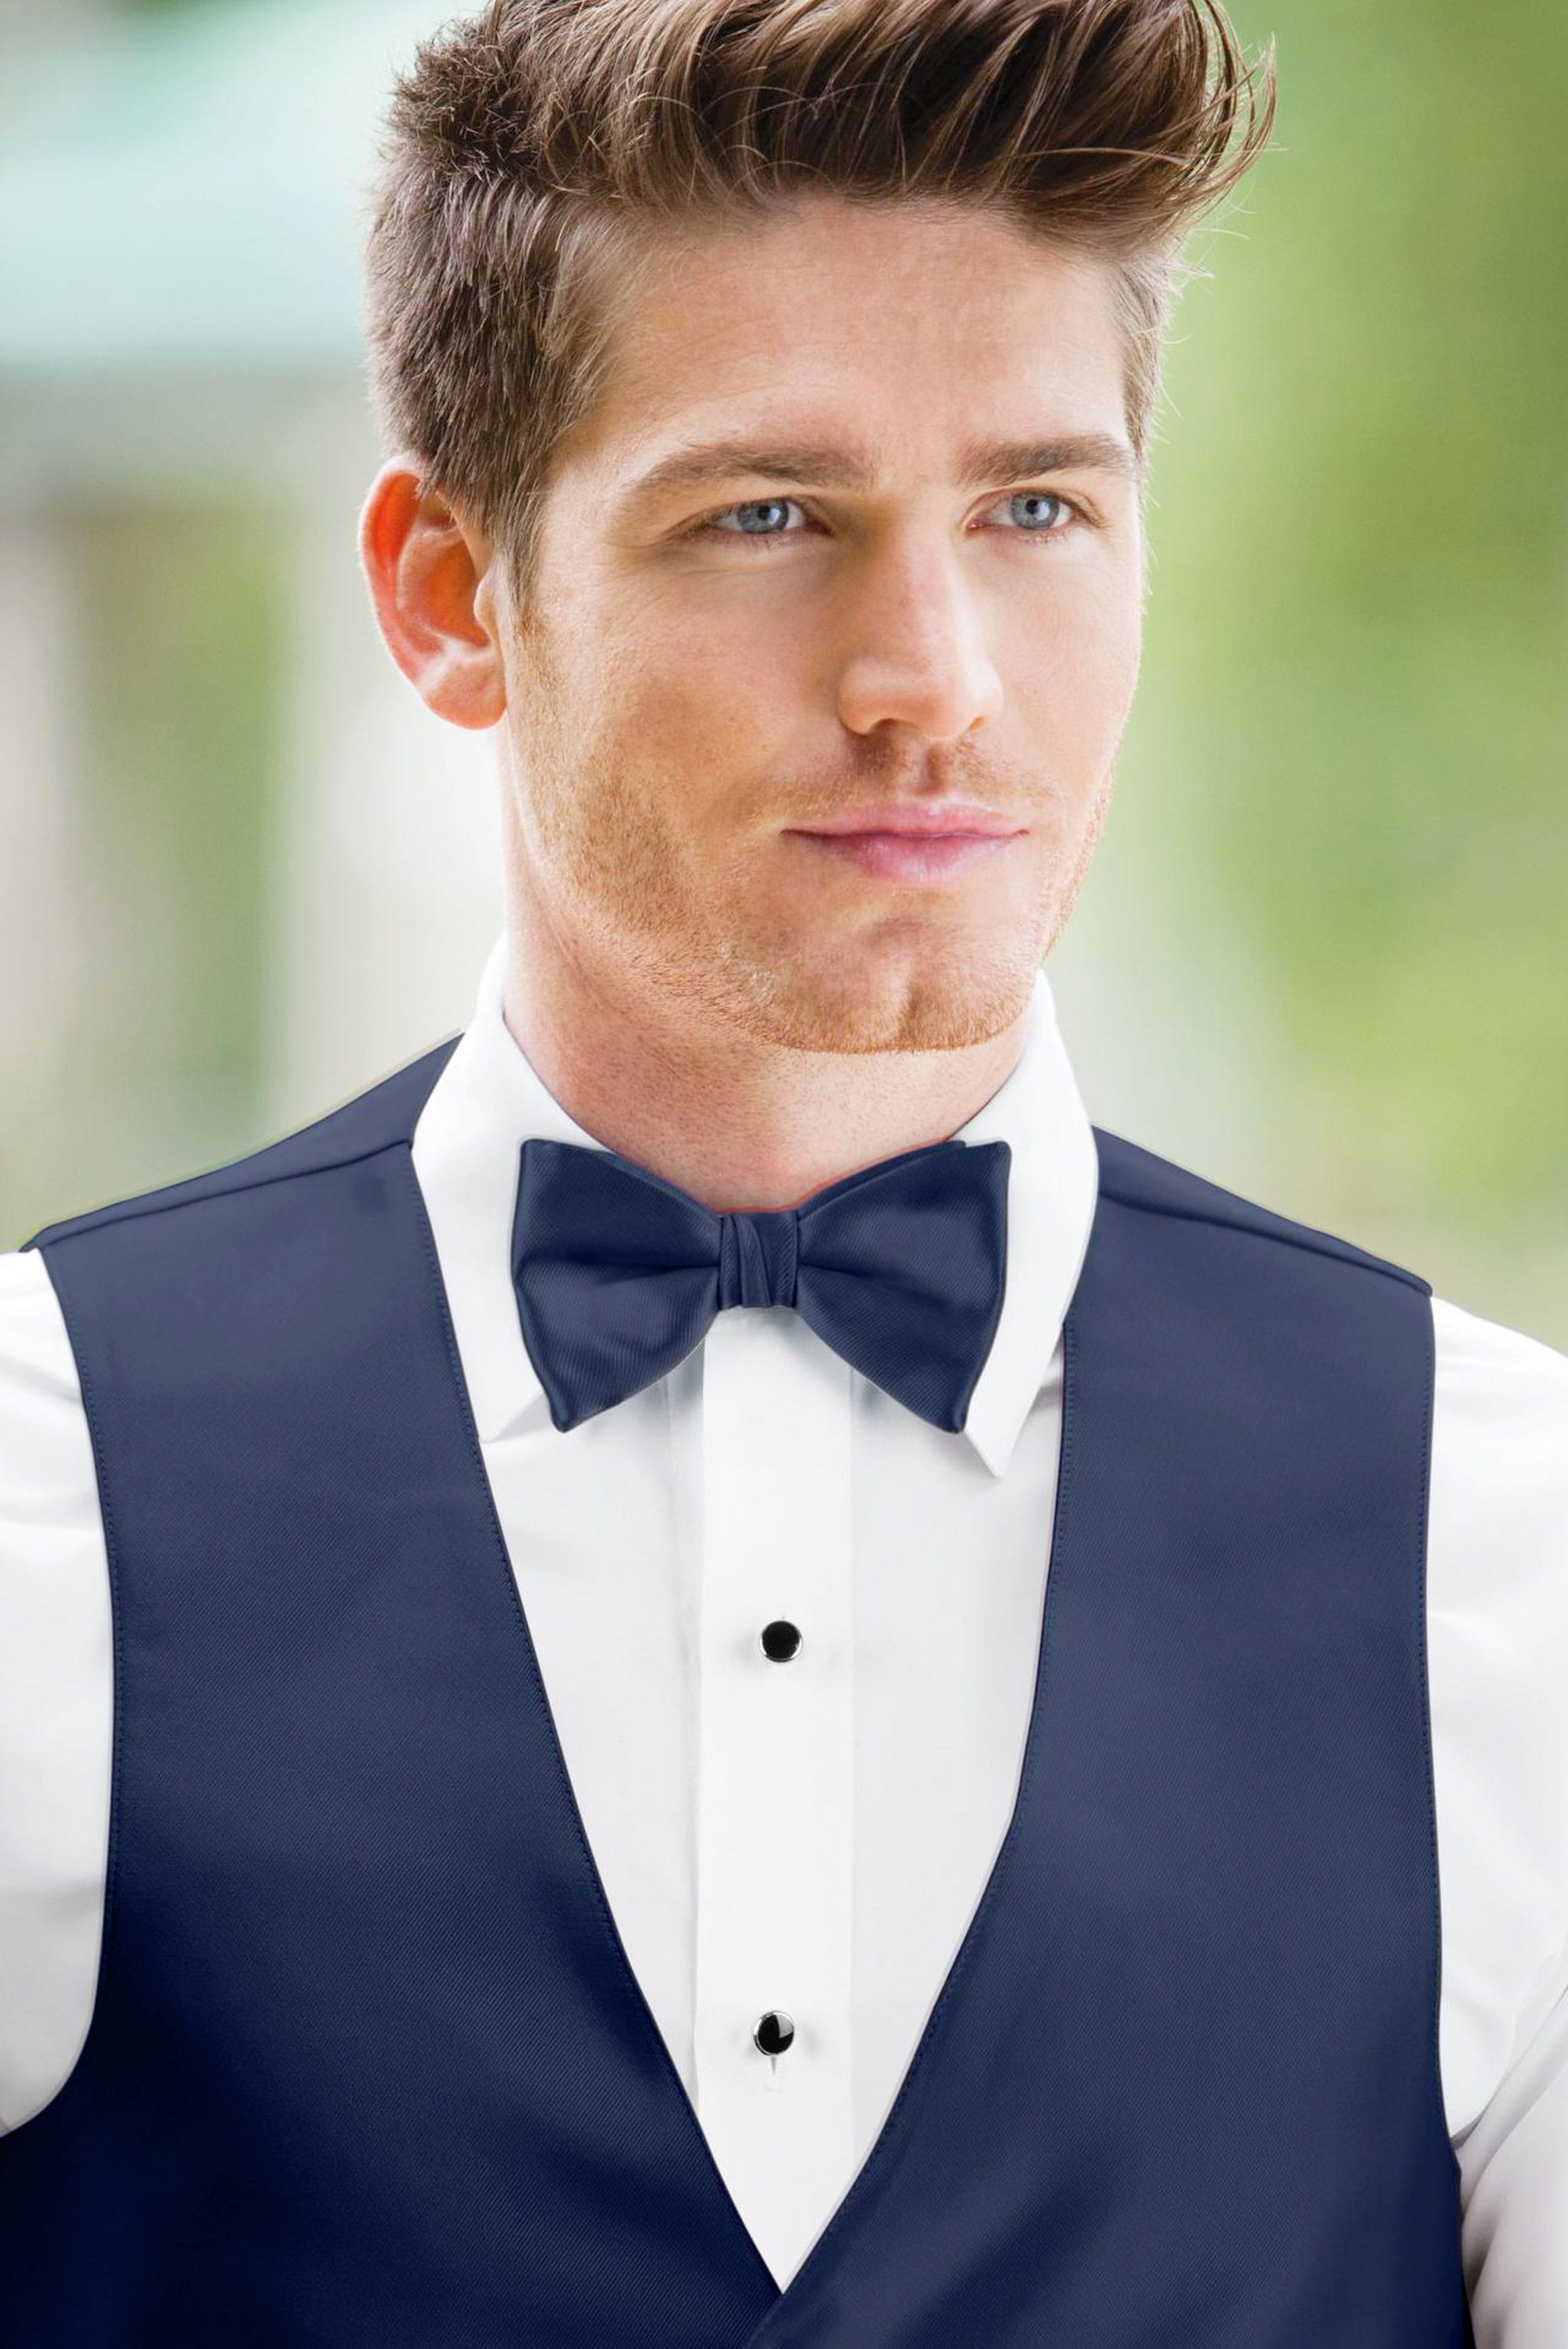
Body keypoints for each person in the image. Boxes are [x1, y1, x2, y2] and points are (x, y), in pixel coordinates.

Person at [0, 0, 1562, 2337]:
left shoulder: (1512, 1542)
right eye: (768, 516)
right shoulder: (35, 1493)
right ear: (450, 595)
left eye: (1035, 507)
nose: (931, 672)